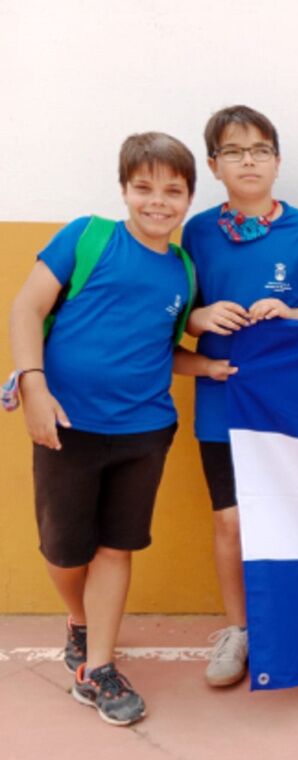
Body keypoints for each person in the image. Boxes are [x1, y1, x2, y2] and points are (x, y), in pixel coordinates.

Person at [6, 132, 197, 726]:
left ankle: (97, 668)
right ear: (124, 190)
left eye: (173, 190)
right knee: (66, 551)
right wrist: (34, 386)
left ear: (189, 197)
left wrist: (209, 363)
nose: (157, 202)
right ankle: (80, 620)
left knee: (117, 547)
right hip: (66, 425)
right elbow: (26, 308)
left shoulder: (185, 271)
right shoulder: (88, 236)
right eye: (144, 188)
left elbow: (158, 349)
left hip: (145, 431)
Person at [178, 105, 298, 687]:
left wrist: (294, 312)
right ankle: (239, 630)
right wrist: (201, 315)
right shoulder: (195, 232)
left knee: (294, 513)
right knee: (231, 520)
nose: (249, 161)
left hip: (287, 407)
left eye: (260, 150)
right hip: (222, 401)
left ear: (277, 161)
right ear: (215, 165)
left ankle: (294, 621)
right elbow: (172, 315)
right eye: (235, 151)